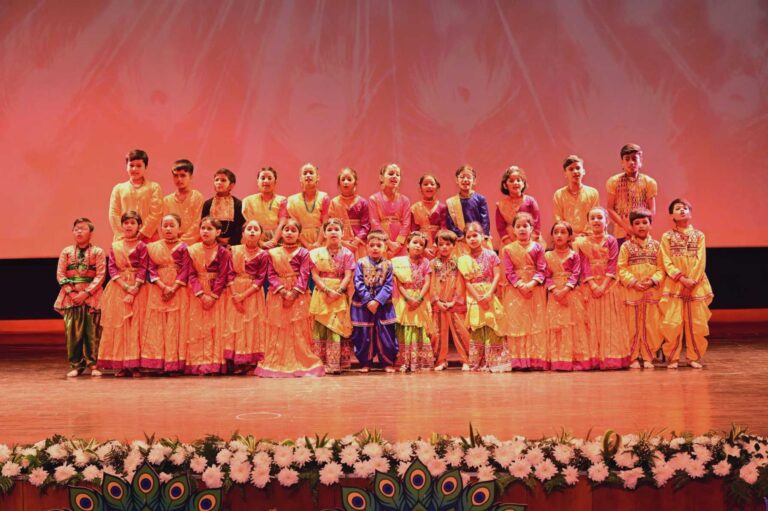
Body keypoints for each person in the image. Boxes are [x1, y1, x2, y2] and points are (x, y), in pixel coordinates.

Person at [255, 219, 325, 377]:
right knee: (279, 327)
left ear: (299, 234)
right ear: (281, 233)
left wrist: (293, 292)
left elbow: (304, 274)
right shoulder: (272, 253)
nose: (289, 233)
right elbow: (270, 274)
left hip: (298, 295)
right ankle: (278, 358)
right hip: (277, 294)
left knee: (298, 327)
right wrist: (282, 291)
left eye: (293, 230)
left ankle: (302, 359)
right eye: (286, 229)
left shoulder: (304, 253)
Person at [659, 199, 713, 369]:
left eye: (685, 208)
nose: (682, 210)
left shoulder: (699, 235)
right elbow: (666, 261)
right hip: (675, 283)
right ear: (672, 215)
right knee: (672, 323)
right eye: (678, 208)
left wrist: (692, 282)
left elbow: (700, 260)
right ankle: (673, 358)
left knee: (696, 323)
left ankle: (693, 357)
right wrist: (682, 280)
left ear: (690, 212)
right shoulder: (667, 236)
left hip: (695, 285)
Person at [574, 207, 631, 370]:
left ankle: (610, 357)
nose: (596, 221)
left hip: (608, 287)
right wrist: (593, 285)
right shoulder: (583, 243)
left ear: (607, 221)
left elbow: (613, 264)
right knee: (591, 323)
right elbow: (584, 265)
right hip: (589, 287)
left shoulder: (611, 240)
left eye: (600, 217)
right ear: (588, 222)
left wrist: (603, 286)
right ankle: (593, 358)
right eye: (592, 218)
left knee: (608, 322)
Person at [97, 211, 149, 376]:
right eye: (126, 223)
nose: (129, 226)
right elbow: (112, 268)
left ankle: (135, 364)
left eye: (133, 223)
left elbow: (143, 268)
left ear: (139, 226)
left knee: (136, 325)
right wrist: (126, 287)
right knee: (119, 325)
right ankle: (121, 364)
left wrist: (135, 288)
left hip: (139, 288)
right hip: (119, 288)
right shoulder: (116, 246)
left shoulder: (142, 246)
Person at [54, 218, 106, 377]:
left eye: (82, 228)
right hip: (71, 297)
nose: (78, 231)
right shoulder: (66, 251)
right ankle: (76, 365)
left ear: (91, 233)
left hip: (92, 297)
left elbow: (101, 275)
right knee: (73, 334)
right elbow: (60, 274)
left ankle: (93, 364)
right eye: (76, 229)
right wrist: (71, 293)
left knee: (93, 332)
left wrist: (86, 293)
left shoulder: (98, 252)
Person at [617, 208, 665, 369]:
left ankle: (648, 356)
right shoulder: (626, 246)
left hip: (651, 292)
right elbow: (621, 268)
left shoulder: (657, 246)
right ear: (631, 226)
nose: (641, 226)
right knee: (632, 325)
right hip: (632, 292)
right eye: (637, 223)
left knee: (651, 325)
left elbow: (661, 269)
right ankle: (633, 357)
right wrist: (634, 282)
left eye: (645, 222)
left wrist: (652, 281)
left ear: (650, 225)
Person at [457, 222, 508, 372]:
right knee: (477, 327)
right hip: (474, 297)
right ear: (465, 239)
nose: (472, 239)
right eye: (469, 237)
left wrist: (489, 294)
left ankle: (495, 360)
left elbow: (497, 275)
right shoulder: (464, 259)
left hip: (489, 293)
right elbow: (467, 282)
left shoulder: (491, 255)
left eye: (475, 235)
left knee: (492, 325)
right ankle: (478, 361)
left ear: (482, 236)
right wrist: (478, 298)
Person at [143, 214, 191, 374]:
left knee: (175, 325)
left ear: (179, 228)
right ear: (160, 228)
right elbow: (150, 269)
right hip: (158, 289)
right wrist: (163, 287)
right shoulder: (152, 247)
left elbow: (186, 270)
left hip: (179, 289)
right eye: (165, 226)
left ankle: (173, 363)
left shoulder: (185, 248)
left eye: (172, 225)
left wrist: (173, 288)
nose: (168, 229)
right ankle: (158, 362)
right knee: (158, 324)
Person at [186, 217, 234, 374]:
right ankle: (197, 363)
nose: (205, 231)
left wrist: (212, 296)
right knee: (197, 327)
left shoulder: (224, 252)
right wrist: (201, 294)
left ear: (218, 232)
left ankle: (214, 363)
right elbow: (191, 274)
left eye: (209, 229)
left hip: (217, 295)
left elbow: (223, 275)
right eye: (203, 228)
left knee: (215, 328)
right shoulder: (192, 250)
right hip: (197, 294)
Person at [501, 212, 548, 370]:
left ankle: (535, 360)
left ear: (531, 228)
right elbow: (508, 271)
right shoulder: (508, 249)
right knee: (517, 323)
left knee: (534, 323)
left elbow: (542, 269)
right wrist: (521, 285)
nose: (522, 229)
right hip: (515, 292)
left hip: (535, 290)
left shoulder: (538, 247)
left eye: (525, 226)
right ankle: (518, 360)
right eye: (518, 226)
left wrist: (531, 284)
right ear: (513, 230)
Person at [309, 219, 356, 374]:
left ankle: (335, 364)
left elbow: (348, 275)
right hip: (321, 293)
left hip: (339, 294)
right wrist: (327, 291)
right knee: (321, 327)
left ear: (343, 233)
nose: (333, 232)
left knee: (336, 327)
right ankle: (320, 363)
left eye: (336, 229)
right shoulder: (316, 253)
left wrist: (339, 291)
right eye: (329, 229)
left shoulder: (348, 253)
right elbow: (315, 275)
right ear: (324, 234)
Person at [351, 230, 398, 372]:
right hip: (363, 304)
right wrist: (368, 300)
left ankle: (387, 363)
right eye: (372, 245)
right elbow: (358, 282)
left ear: (385, 247)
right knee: (363, 334)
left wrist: (377, 301)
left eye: (379, 245)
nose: (375, 248)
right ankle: (365, 363)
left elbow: (388, 285)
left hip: (382, 304)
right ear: (367, 247)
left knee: (386, 333)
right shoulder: (361, 263)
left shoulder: (388, 264)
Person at [544, 221, 588, 371]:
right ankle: (558, 360)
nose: (559, 235)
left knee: (572, 325)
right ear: (551, 236)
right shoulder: (547, 255)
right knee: (557, 326)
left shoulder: (574, 255)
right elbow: (546, 275)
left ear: (569, 236)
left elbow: (576, 274)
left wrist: (565, 290)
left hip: (571, 294)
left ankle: (573, 360)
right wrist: (555, 290)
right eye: (556, 232)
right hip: (554, 294)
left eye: (563, 232)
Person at [227, 220, 268, 374]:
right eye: (249, 229)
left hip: (253, 293)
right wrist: (235, 295)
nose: (252, 231)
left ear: (261, 235)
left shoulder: (263, 255)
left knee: (252, 325)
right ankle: (236, 360)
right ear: (243, 233)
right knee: (235, 324)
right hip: (234, 291)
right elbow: (229, 273)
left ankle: (250, 361)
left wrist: (243, 296)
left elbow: (260, 279)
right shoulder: (234, 250)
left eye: (255, 229)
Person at [392, 231, 434, 372]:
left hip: (420, 299)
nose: (417, 246)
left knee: (419, 327)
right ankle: (404, 361)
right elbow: (399, 283)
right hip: (405, 299)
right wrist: (408, 298)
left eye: (421, 244)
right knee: (405, 327)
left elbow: (427, 282)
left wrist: (419, 298)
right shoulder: (398, 262)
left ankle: (419, 361)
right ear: (407, 245)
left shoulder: (426, 262)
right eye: (414, 242)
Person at [430, 230, 471, 371]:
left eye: (448, 244)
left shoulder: (459, 262)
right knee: (437, 333)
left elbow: (461, 283)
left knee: (461, 331)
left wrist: (454, 301)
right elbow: (431, 283)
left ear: (454, 245)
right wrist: (436, 301)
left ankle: (467, 360)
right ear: (436, 245)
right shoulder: (433, 263)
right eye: (441, 244)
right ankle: (440, 361)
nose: (444, 247)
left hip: (454, 303)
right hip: (439, 304)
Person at [606, 143, 658, 245]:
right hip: (620, 232)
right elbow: (610, 209)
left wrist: (639, 226)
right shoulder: (613, 181)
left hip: (641, 231)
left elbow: (652, 210)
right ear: (622, 162)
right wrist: (626, 227)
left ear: (640, 161)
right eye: (627, 159)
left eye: (634, 159)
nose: (631, 162)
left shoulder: (649, 182)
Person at [108, 149, 162, 242]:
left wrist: (143, 232)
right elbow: (113, 213)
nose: (134, 169)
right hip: (124, 239)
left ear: (146, 167)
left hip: (148, 238)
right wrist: (124, 234)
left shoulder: (154, 187)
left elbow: (156, 213)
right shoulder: (118, 188)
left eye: (139, 166)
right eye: (131, 165)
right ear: (126, 166)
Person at [446, 165, 492, 254]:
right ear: (457, 180)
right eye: (462, 177)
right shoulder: (451, 202)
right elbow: (450, 224)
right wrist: (463, 236)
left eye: (468, 177)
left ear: (474, 181)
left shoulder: (480, 199)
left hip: (480, 240)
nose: (465, 180)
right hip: (461, 242)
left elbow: (485, 221)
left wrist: (480, 236)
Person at [369, 163, 412, 258]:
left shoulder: (405, 200)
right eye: (391, 173)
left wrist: (399, 243)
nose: (395, 176)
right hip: (381, 240)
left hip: (401, 243)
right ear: (381, 177)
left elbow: (407, 223)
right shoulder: (374, 199)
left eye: (397, 175)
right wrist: (388, 242)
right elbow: (374, 223)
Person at [328, 167, 370, 260]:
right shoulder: (334, 202)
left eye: (349, 179)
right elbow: (331, 225)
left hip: (358, 244)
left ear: (355, 183)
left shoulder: (362, 202)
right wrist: (342, 242)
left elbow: (366, 225)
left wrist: (356, 241)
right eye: (343, 179)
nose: (346, 182)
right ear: (339, 183)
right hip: (339, 243)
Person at [552, 155, 600, 237]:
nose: (575, 171)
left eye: (578, 168)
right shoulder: (559, 194)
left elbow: (594, 216)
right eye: (571, 169)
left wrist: (584, 235)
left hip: (589, 237)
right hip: (567, 238)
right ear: (565, 173)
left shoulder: (593, 193)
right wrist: (571, 235)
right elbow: (558, 219)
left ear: (583, 171)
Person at [242, 166, 289, 249]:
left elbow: (283, 223)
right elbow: (248, 225)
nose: (266, 181)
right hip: (254, 239)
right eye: (263, 178)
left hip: (278, 240)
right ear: (257, 182)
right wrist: (260, 242)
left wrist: (274, 241)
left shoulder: (282, 200)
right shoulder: (248, 201)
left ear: (275, 182)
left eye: (269, 178)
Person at [286, 163, 330, 250]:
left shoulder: (324, 197)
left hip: (320, 239)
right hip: (300, 240)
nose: (308, 175)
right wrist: (307, 244)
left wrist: (318, 242)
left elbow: (325, 222)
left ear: (317, 177)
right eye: (305, 173)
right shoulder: (292, 200)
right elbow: (295, 226)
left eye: (311, 173)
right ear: (300, 179)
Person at [495, 165, 540, 245]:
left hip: (530, 241)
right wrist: (511, 246)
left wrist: (529, 243)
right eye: (511, 181)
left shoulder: (531, 201)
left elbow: (536, 224)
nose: (515, 183)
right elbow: (501, 228)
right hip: (509, 242)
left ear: (523, 183)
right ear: (505, 185)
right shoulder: (501, 205)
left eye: (518, 180)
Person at [162, 159, 204, 245]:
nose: (179, 179)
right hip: (171, 243)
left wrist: (181, 242)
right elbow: (165, 225)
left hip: (194, 245)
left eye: (183, 175)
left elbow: (197, 224)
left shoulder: (197, 197)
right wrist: (173, 241)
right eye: (175, 176)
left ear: (191, 177)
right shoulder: (167, 200)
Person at [201, 168, 245, 246]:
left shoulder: (238, 204)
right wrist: (217, 239)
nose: (219, 182)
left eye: (223, 180)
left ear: (231, 185)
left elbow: (240, 227)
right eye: (216, 180)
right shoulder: (208, 204)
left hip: (232, 245)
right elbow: (203, 226)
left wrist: (230, 241)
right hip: (211, 243)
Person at [410, 174, 447, 258]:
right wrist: (424, 247)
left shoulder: (443, 207)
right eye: (425, 184)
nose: (429, 186)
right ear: (420, 188)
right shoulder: (414, 208)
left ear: (437, 188)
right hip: (421, 246)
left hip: (440, 245)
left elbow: (444, 228)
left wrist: (436, 246)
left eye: (432, 184)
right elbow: (414, 231)